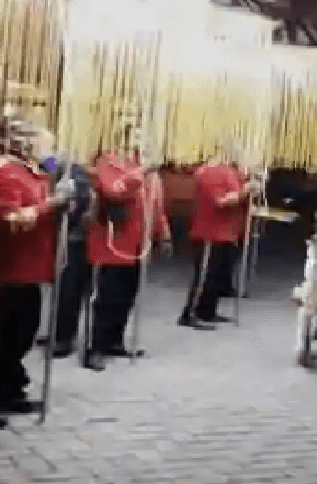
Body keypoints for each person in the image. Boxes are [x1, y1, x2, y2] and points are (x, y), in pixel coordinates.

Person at [0, 116, 75, 427]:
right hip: (0, 271)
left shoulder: (29, 170)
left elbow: (52, 169)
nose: (48, 149)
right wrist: (53, 204)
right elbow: (12, 220)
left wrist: (65, 173)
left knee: (19, 336)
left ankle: (6, 389)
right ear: (21, 142)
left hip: (28, 270)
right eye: (43, 142)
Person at [83, 122, 171, 370]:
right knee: (107, 298)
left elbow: (156, 206)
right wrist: (141, 172)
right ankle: (96, 347)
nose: (142, 142)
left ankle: (115, 340)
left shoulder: (149, 172)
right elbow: (114, 191)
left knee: (127, 296)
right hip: (113, 241)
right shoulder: (110, 163)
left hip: (138, 245)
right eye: (137, 136)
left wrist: (163, 235)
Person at [180, 144, 259, 328]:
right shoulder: (211, 172)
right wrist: (244, 191)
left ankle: (207, 311)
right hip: (210, 232)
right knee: (205, 276)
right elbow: (221, 201)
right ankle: (190, 313)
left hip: (226, 232)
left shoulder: (230, 172)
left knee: (216, 276)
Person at [37, 148, 94, 359]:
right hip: (66, 240)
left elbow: (76, 210)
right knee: (61, 291)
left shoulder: (75, 179)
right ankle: (57, 333)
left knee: (68, 292)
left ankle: (64, 338)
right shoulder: (68, 173)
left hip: (74, 242)